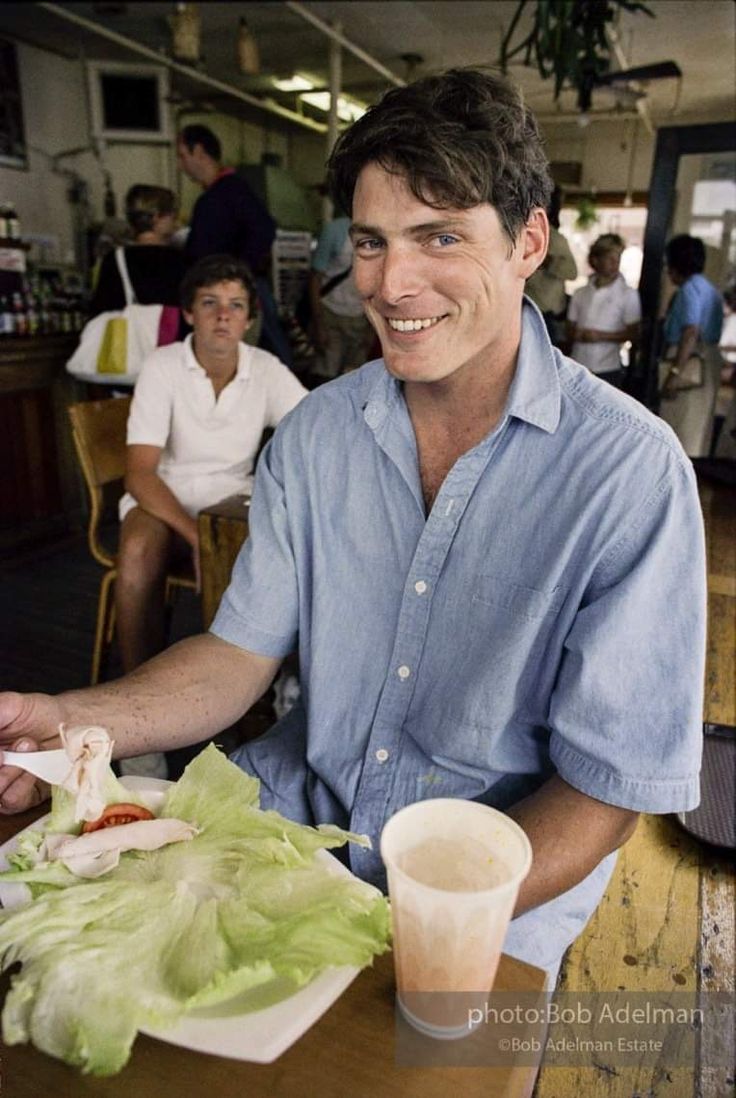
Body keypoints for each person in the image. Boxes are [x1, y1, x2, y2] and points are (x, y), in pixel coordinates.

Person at [0, 70, 705, 983]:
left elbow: (605, 788)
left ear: (530, 240)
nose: (391, 282)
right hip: (288, 833)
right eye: (371, 241)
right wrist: (69, 720)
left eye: (439, 235)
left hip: (490, 903)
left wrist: (407, 916)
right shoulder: (315, 435)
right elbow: (237, 655)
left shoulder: (628, 473)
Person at [114, 253, 306, 777]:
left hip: (230, 505)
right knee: (136, 551)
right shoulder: (162, 367)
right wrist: (194, 538)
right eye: (210, 303)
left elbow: (314, 428)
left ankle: (238, 702)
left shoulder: (264, 369)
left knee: (280, 555)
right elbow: (140, 474)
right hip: (164, 498)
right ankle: (138, 723)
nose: (224, 315)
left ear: (248, 319)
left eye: (236, 305)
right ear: (191, 314)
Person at [176, 123, 292, 366]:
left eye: (182, 155)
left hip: (233, 292)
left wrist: (238, 273)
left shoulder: (230, 191)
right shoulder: (216, 195)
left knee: (241, 362)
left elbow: (264, 228)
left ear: (199, 151)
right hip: (230, 291)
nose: (180, 164)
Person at [659, 235, 724, 457]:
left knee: (681, 429)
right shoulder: (710, 289)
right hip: (709, 359)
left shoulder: (688, 290)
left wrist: (675, 373)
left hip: (689, 360)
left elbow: (690, 331)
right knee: (698, 430)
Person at [89, 185, 187, 318]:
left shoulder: (115, 259)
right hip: (171, 335)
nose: (176, 220)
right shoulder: (181, 260)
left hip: (128, 335)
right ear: (157, 217)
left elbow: (101, 310)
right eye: (172, 214)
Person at [567, 233, 641, 387]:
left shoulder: (628, 294)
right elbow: (569, 329)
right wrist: (578, 334)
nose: (615, 264)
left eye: (618, 259)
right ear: (595, 260)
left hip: (608, 367)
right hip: (577, 364)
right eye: (610, 259)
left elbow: (634, 333)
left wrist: (601, 336)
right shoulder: (580, 293)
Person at [309, 209, 375, 378]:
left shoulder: (380, 232)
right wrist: (319, 325)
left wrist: (372, 330)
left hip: (361, 318)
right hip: (331, 314)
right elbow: (315, 278)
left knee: (355, 379)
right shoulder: (335, 230)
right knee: (325, 377)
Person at [524, 187, 577, 347]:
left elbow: (572, 272)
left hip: (546, 313)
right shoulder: (517, 234)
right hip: (521, 309)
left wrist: (546, 260)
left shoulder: (555, 239)